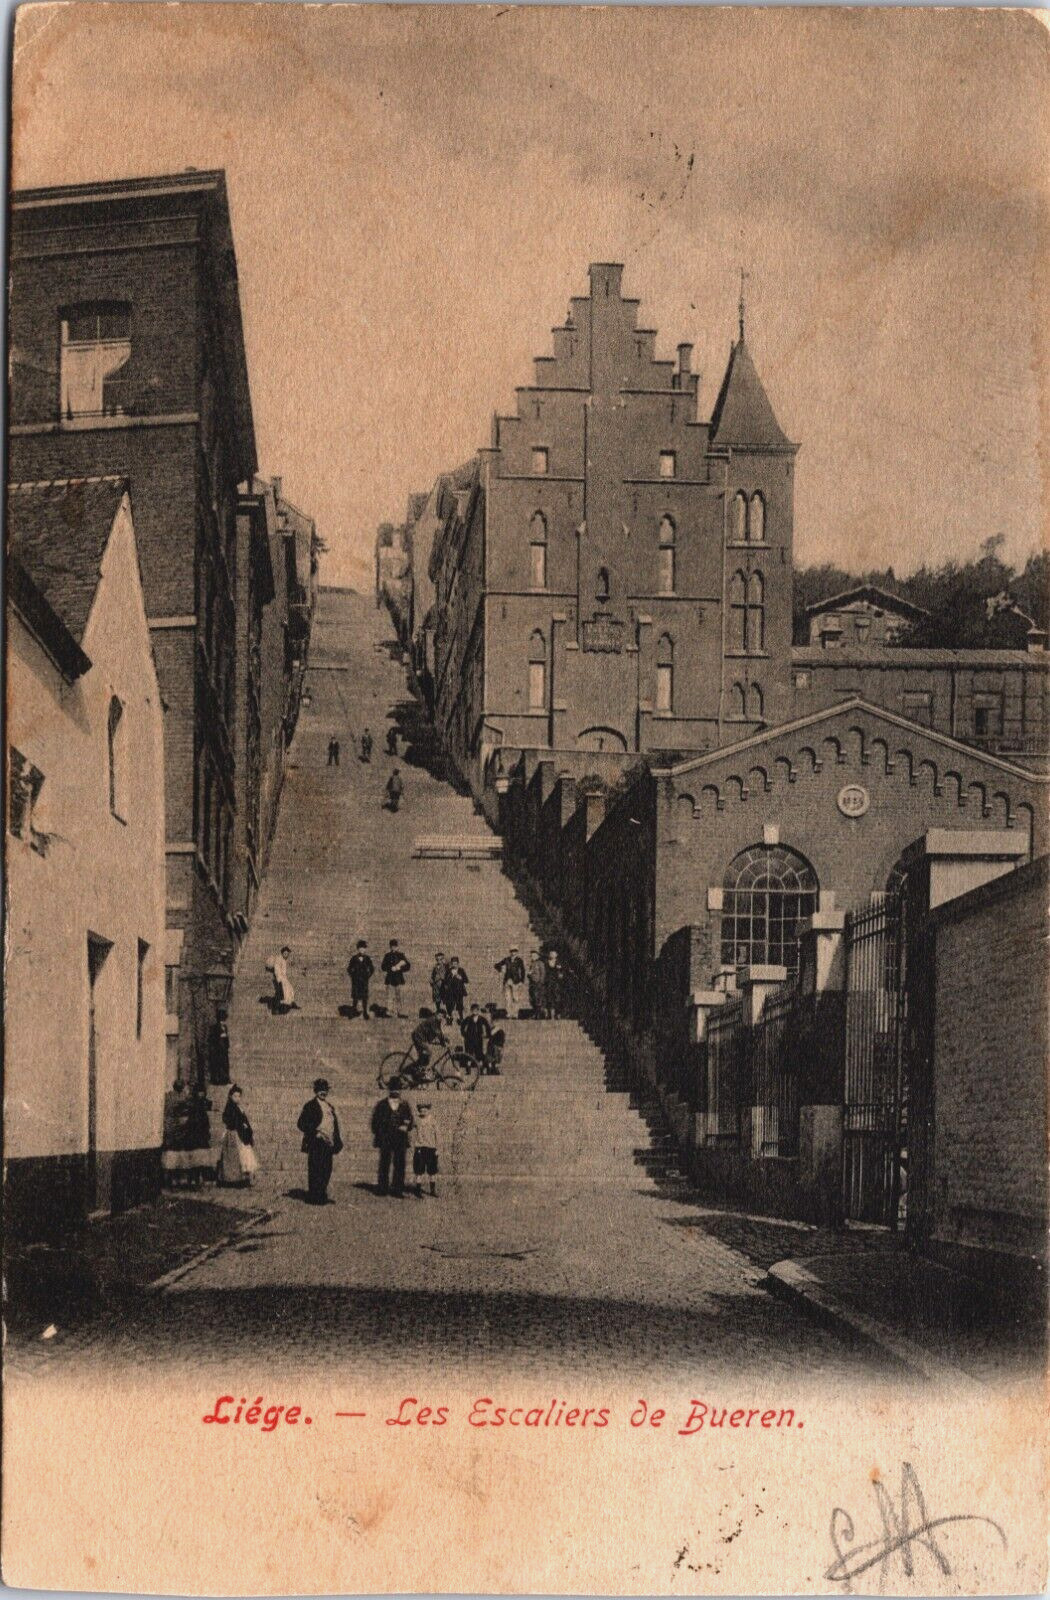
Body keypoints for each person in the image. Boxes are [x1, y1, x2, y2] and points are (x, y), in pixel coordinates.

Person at [297, 1077, 343, 1204]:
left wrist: (336, 1140)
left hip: (328, 1142)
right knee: (315, 1169)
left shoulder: (329, 1107)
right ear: (316, 1091)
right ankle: (314, 1196)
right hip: (316, 1142)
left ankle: (322, 1194)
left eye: (325, 1090)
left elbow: (334, 1125)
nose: (323, 1092)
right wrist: (315, 1133)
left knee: (326, 1169)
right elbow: (301, 1124)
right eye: (320, 1090)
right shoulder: (310, 1105)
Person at [370, 1082, 414, 1198]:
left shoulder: (405, 1105)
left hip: (400, 1138)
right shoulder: (381, 1105)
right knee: (384, 1163)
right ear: (389, 1090)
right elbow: (375, 1122)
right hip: (386, 1138)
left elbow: (410, 1120)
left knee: (400, 1164)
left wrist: (406, 1126)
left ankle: (397, 1189)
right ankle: (382, 1187)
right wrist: (381, 1133)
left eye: (398, 1089)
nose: (396, 1092)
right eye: (393, 1089)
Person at [218, 1084, 258, 1186]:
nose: (237, 1098)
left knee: (243, 1155)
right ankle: (232, 1179)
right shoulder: (230, 1107)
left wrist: (245, 1126)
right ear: (231, 1096)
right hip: (234, 1133)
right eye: (235, 1096)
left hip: (240, 1133)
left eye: (239, 1096)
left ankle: (240, 1178)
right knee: (235, 1156)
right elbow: (228, 1120)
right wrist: (241, 1124)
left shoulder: (237, 1107)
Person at [185, 1086, 214, 1188]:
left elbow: (206, 1123)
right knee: (195, 1157)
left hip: (200, 1135)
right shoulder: (194, 1106)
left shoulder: (202, 1106)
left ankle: (198, 1178)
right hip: (195, 1136)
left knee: (200, 1158)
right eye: (199, 1093)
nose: (201, 1095)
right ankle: (193, 1179)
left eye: (203, 1093)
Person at [411, 1101, 440, 1198]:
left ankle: (432, 1190)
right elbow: (410, 1126)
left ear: (428, 1110)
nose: (423, 1112)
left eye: (425, 1110)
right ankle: (418, 1190)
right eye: (421, 1111)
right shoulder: (417, 1120)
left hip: (431, 1148)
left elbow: (438, 1135)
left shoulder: (433, 1120)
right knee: (419, 1170)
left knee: (432, 1170)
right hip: (420, 1147)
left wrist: (437, 1148)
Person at [410, 1008, 447, 1074]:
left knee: (424, 1055)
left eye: (443, 1017)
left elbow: (439, 1032)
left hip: (421, 1037)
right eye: (441, 1016)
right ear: (436, 1014)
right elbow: (436, 1032)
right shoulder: (432, 1019)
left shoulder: (437, 1021)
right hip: (418, 1036)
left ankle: (418, 1069)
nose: (441, 1018)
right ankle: (417, 1069)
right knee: (428, 1052)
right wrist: (442, 1041)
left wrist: (445, 1039)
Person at [381, 938, 411, 1017]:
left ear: (397, 947)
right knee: (390, 997)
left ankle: (400, 1012)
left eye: (395, 946)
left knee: (400, 996)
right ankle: (389, 1012)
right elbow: (383, 967)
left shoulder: (401, 955)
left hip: (399, 979)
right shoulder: (387, 955)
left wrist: (399, 968)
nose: (394, 947)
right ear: (390, 947)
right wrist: (390, 968)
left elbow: (408, 966)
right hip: (390, 979)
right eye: (392, 946)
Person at [461, 1002, 494, 1072]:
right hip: (469, 1039)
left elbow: (487, 1026)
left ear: (479, 1011)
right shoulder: (468, 1018)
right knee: (469, 1053)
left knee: (479, 1053)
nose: (475, 1012)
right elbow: (462, 1026)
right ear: (471, 1011)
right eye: (473, 1010)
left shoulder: (482, 1019)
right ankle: (468, 1068)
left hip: (479, 1038)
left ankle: (480, 1068)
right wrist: (464, 1034)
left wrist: (488, 1035)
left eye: (477, 1010)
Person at [494, 946, 526, 1017]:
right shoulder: (506, 959)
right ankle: (509, 1012)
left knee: (516, 998)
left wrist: (521, 981)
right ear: (510, 952)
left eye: (515, 951)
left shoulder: (519, 960)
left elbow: (523, 971)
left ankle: (515, 1013)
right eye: (512, 951)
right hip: (507, 981)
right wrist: (501, 970)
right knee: (508, 998)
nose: (513, 953)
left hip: (516, 981)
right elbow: (496, 965)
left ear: (517, 952)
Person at [346, 939, 374, 1019]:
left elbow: (372, 968)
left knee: (364, 997)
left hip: (364, 980)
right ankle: (353, 1011)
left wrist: (368, 975)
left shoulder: (367, 958)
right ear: (358, 949)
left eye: (363, 948)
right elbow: (349, 968)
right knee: (355, 997)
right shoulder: (354, 958)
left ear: (365, 949)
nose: (362, 949)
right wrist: (353, 975)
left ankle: (365, 1012)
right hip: (356, 980)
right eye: (360, 948)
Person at [439, 956, 469, 1022]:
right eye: (453, 963)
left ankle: (461, 1019)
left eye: (456, 963)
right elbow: (445, 981)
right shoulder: (449, 971)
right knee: (449, 1005)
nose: (454, 965)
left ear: (458, 963)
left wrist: (460, 978)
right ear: (451, 964)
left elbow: (466, 980)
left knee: (460, 1005)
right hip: (450, 991)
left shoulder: (461, 970)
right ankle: (449, 1019)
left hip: (459, 991)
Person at [206, 1008, 231, 1085]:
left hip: (224, 1049)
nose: (223, 1020)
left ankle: (225, 1079)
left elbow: (226, 1038)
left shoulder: (225, 1027)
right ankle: (217, 1079)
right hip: (217, 1050)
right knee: (217, 1065)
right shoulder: (214, 1027)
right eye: (222, 1018)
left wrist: (227, 1045)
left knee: (225, 1064)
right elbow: (212, 1038)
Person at [267, 946, 295, 1013]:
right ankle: (275, 1010)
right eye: (285, 954)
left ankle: (279, 1009)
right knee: (279, 994)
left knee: (283, 994)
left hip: (282, 980)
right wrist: (279, 980)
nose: (286, 955)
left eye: (287, 954)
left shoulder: (283, 959)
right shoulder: (279, 959)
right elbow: (277, 970)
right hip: (279, 979)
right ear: (282, 953)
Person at [545, 947, 566, 1019]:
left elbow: (563, 972)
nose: (551, 954)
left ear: (556, 954)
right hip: (549, 982)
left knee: (557, 998)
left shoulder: (559, 962)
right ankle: (549, 1014)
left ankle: (558, 1013)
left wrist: (560, 973)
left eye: (553, 953)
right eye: (550, 953)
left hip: (557, 983)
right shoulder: (546, 962)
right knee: (549, 998)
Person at [527, 950, 546, 1018]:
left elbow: (543, 973)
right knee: (533, 998)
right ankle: (535, 1013)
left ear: (537, 956)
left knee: (537, 998)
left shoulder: (540, 963)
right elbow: (530, 974)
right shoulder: (532, 964)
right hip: (532, 983)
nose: (532, 957)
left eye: (534, 955)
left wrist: (540, 982)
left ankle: (538, 1014)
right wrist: (529, 975)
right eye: (531, 956)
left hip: (538, 983)